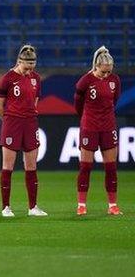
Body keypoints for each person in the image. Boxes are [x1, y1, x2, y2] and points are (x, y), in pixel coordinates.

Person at [0, 44, 47, 217]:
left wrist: (28, 116)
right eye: (27, 66)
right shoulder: (7, 79)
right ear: (19, 61)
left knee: (31, 166)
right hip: (12, 124)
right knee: (7, 166)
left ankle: (33, 207)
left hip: (30, 123)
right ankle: (6, 207)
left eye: (33, 65)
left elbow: (35, 101)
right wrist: (10, 120)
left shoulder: (36, 78)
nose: (30, 69)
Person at [74, 46, 122, 216]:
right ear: (96, 66)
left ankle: (113, 205)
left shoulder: (115, 80)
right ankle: (81, 205)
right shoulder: (85, 81)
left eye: (109, 72)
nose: (106, 75)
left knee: (111, 168)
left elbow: (114, 101)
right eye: (103, 72)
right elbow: (78, 104)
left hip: (108, 127)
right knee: (86, 167)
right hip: (90, 127)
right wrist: (86, 118)